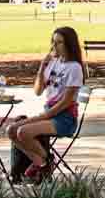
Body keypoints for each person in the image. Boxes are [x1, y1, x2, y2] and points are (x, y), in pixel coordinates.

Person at [6, 27, 85, 182]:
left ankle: (43, 163)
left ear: (69, 44)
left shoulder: (74, 68)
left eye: (59, 43)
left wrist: (44, 116)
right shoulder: (53, 63)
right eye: (53, 42)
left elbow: (66, 101)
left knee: (23, 132)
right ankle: (43, 163)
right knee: (11, 130)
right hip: (49, 113)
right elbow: (37, 91)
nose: (54, 46)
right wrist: (42, 68)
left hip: (64, 118)